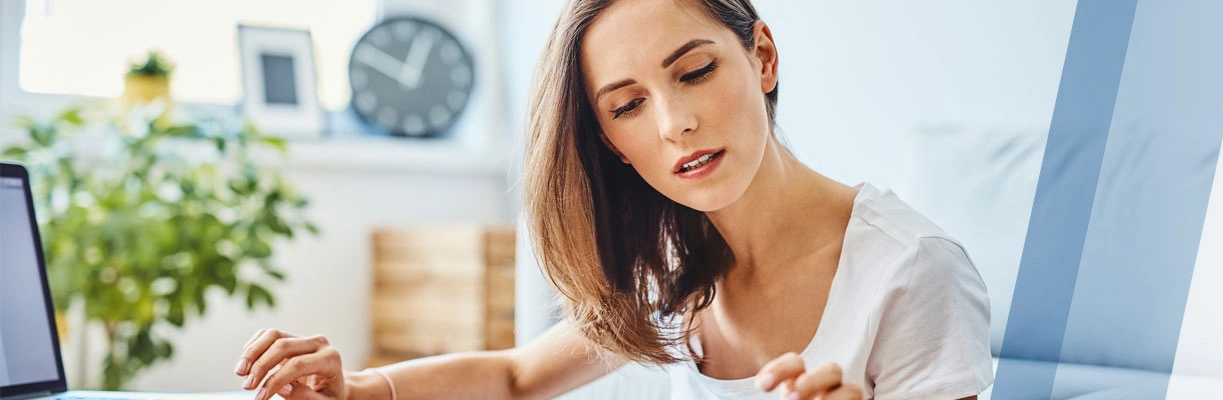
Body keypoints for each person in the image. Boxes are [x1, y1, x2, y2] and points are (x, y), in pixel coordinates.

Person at [233, 0, 993, 398]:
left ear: (760, 55)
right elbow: (516, 379)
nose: (675, 122)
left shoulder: (912, 273)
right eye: (628, 106)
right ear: (608, 142)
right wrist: (356, 390)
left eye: (694, 71)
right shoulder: (675, 257)